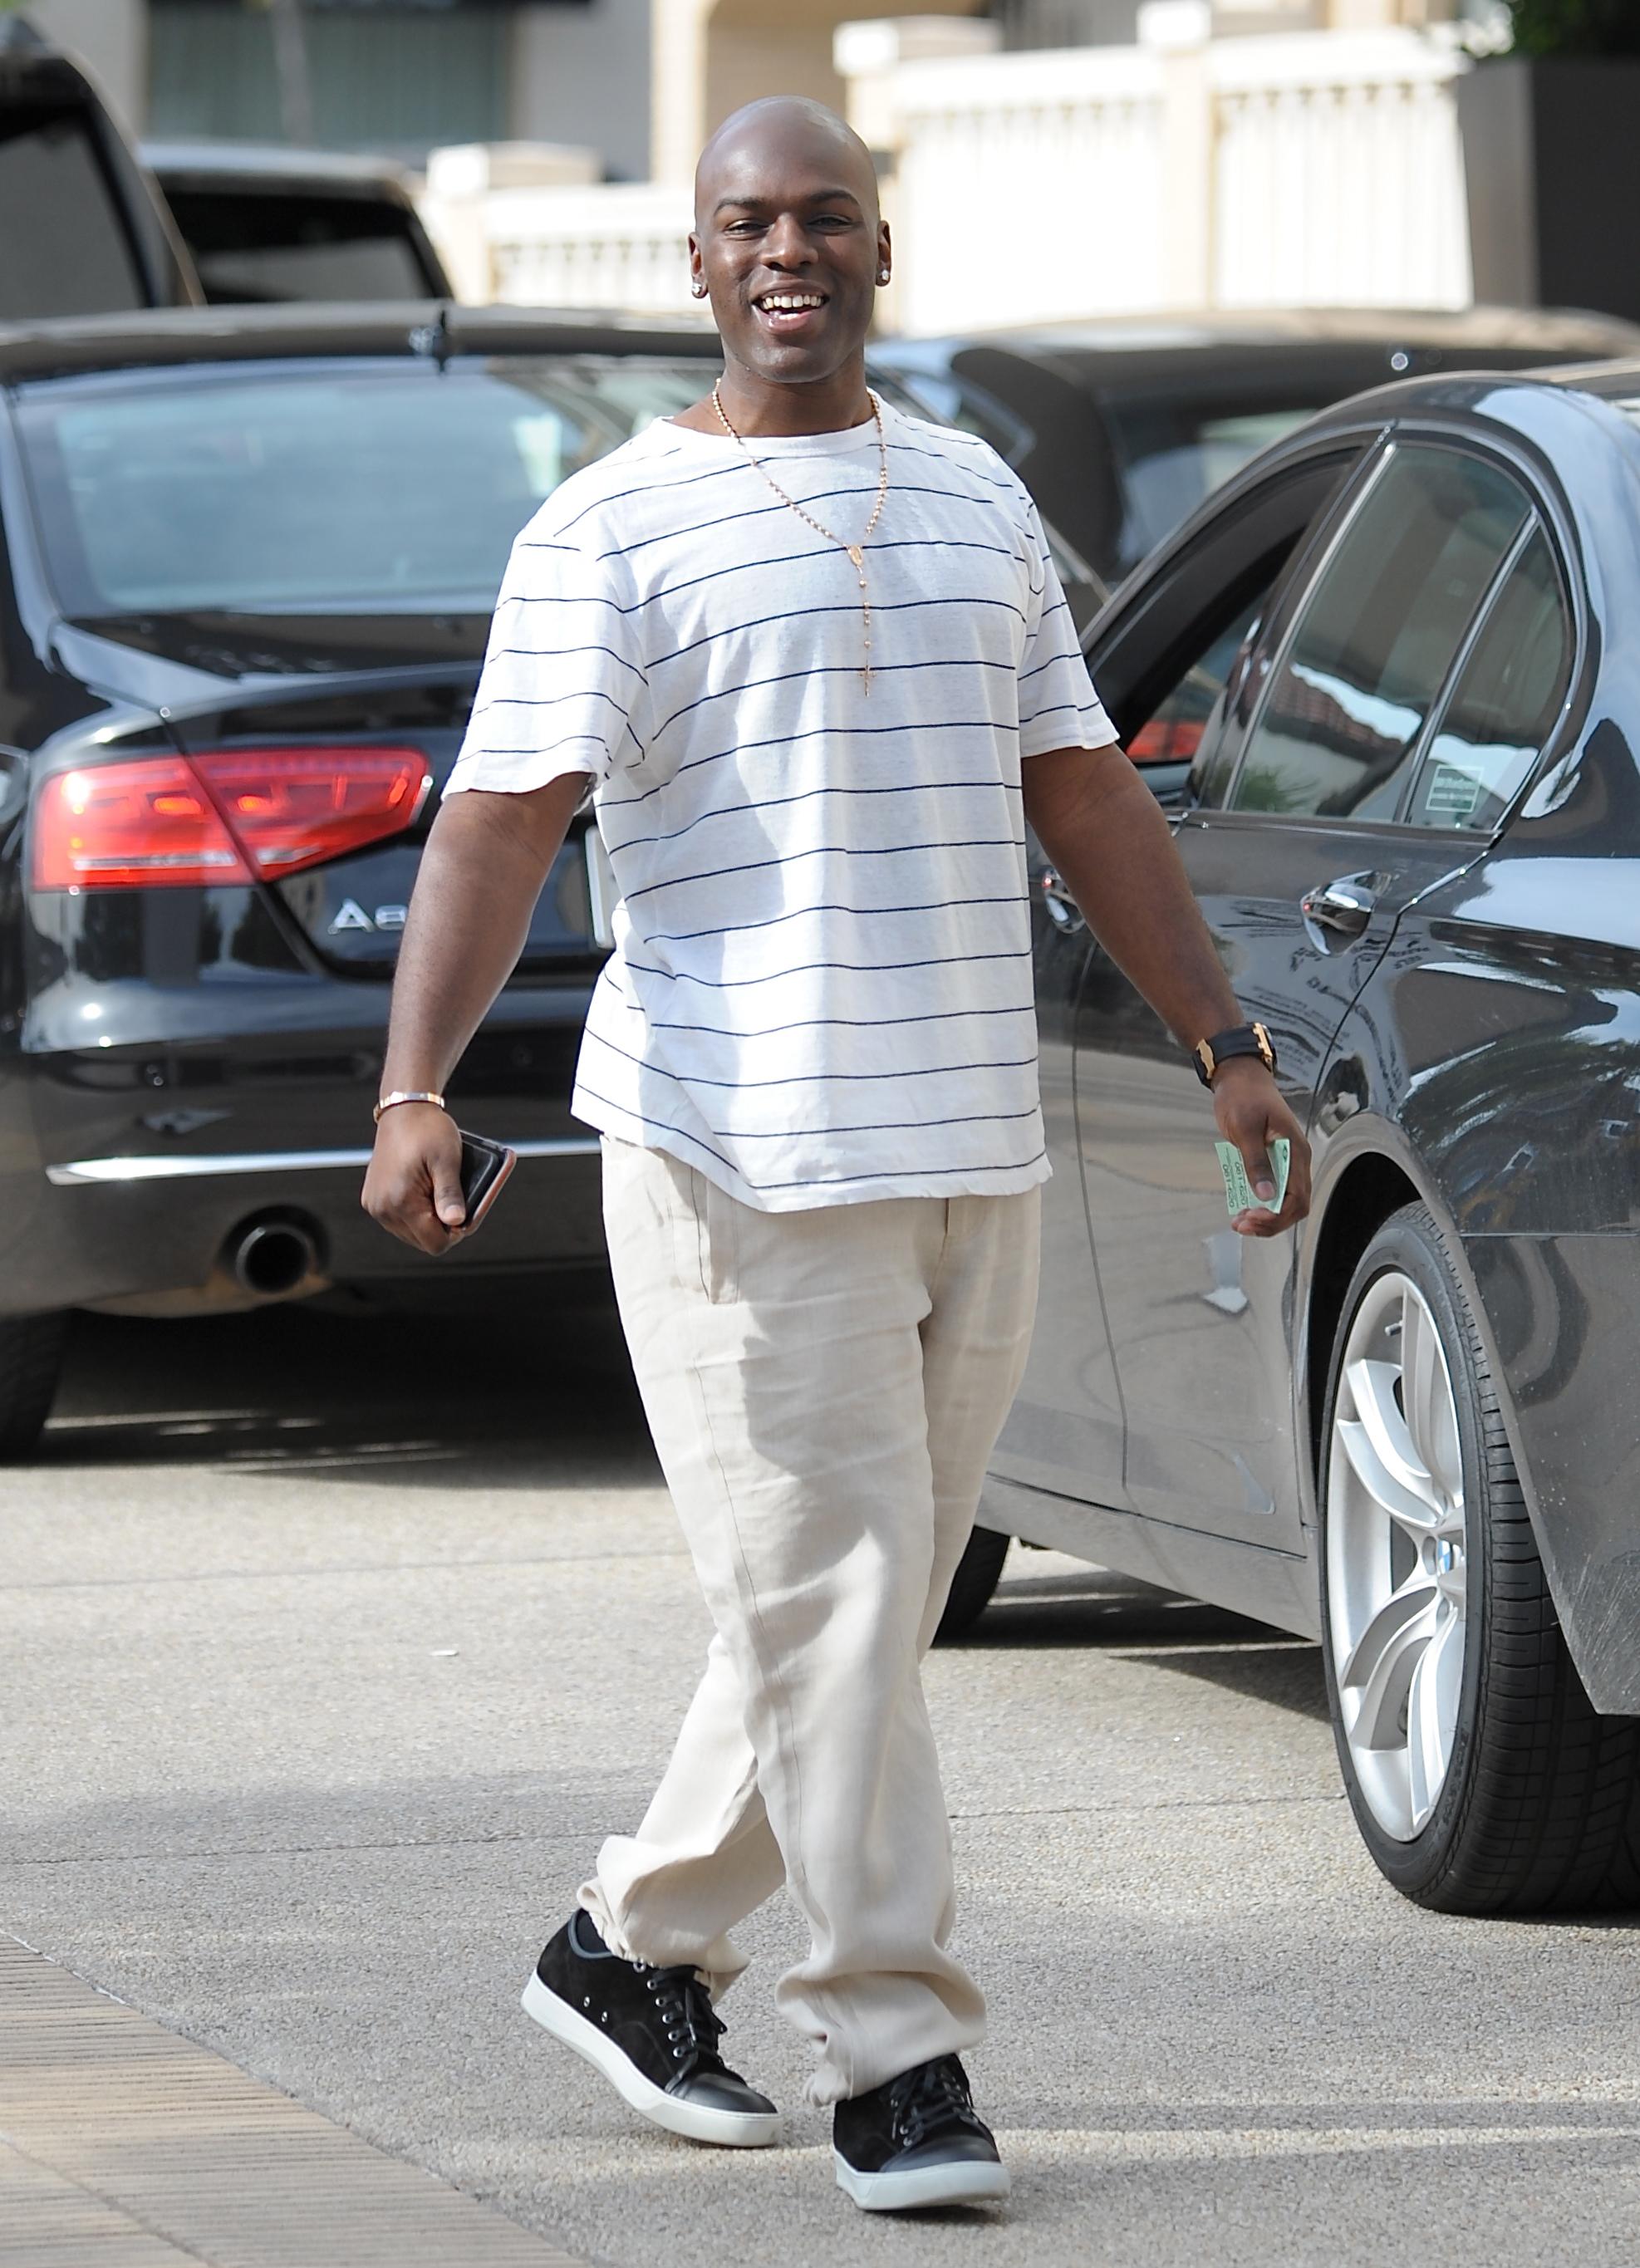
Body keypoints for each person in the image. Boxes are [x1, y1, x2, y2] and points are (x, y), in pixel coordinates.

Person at [363, 94, 1310, 2214]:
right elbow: (502, 822)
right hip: (739, 1153)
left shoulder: (973, 498)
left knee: (844, 1624)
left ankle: (625, 1948)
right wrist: (413, 1086)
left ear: (880, 246)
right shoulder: (605, 531)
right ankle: (896, 2055)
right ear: (693, 268)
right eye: (743, 224)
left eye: (822, 217)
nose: (784, 251)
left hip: (973, 1135)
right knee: (849, 1597)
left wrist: (1224, 1039)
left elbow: (1082, 786)